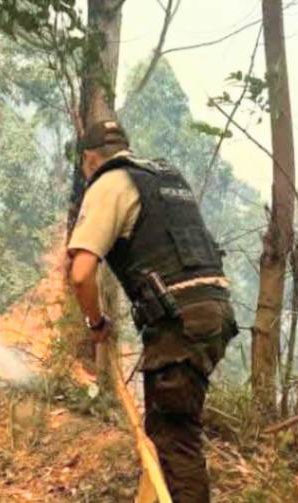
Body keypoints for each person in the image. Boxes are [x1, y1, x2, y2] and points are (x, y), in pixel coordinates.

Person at [66, 120, 238, 503]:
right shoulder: (165, 178)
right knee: (172, 431)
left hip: (179, 321)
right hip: (215, 312)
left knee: (174, 441)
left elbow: (81, 275)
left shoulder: (110, 183)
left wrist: (95, 322)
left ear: (89, 159)